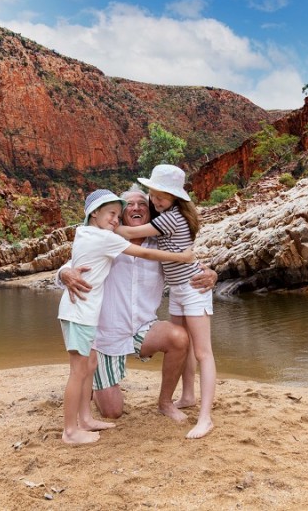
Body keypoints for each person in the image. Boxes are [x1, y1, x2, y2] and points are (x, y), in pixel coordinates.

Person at [59, 186, 217, 426]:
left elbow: (187, 263)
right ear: (121, 214)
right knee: (112, 411)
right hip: (105, 336)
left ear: (150, 211)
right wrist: (64, 274)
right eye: (129, 204)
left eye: (142, 204)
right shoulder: (105, 241)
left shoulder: (161, 244)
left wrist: (212, 274)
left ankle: (165, 403)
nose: (135, 207)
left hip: (143, 329)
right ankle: (90, 388)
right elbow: (73, 264)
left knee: (178, 337)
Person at [115, 164, 215, 439]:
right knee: (186, 344)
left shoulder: (167, 220)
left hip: (192, 288)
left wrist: (105, 225)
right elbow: (176, 252)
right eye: (154, 195)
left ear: (175, 198)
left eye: (162, 196)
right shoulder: (164, 222)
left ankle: (205, 418)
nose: (156, 200)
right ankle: (188, 396)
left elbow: (126, 234)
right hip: (180, 291)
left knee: (202, 351)